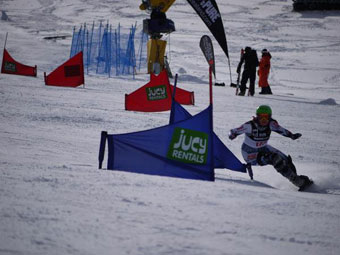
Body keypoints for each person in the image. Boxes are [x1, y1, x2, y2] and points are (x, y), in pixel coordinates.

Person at [228, 105, 312, 189]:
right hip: (250, 154)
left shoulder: (271, 124)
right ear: (257, 117)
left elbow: (281, 130)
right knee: (274, 158)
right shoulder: (249, 126)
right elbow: (233, 131)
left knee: (285, 159)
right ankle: (298, 182)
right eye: (261, 117)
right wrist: (232, 135)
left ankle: (296, 178)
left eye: (266, 117)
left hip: (264, 148)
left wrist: (291, 135)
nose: (264, 120)